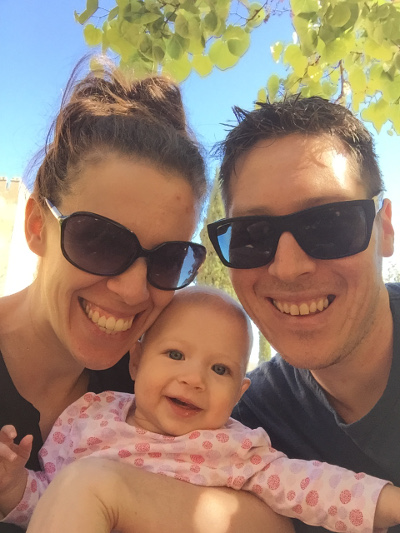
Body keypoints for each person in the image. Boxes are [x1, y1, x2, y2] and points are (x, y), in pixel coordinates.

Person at [0, 57, 293, 533]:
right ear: (37, 226)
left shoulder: (158, 376)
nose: (133, 290)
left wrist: (106, 492)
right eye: (100, 240)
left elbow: (268, 519)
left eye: (167, 259)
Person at [1, 286, 400, 533]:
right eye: (175, 354)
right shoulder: (88, 416)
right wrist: (14, 488)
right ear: (136, 360)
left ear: (239, 392)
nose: (194, 379)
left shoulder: (235, 449)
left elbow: (313, 487)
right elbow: (49, 502)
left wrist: (390, 504)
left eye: (220, 369)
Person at [206, 95, 399, 532]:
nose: (289, 268)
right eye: (251, 236)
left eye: (328, 223)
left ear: (384, 228)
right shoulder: (245, 426)